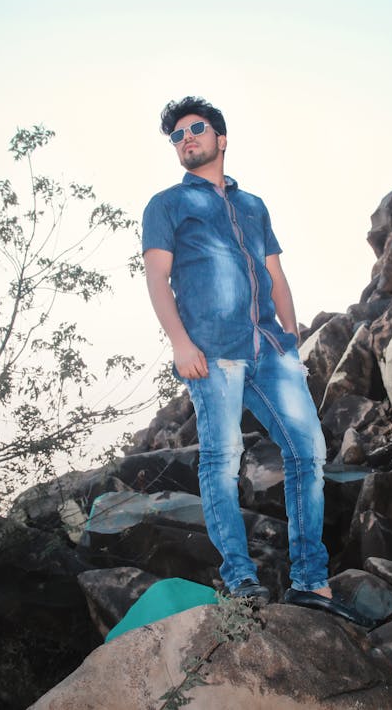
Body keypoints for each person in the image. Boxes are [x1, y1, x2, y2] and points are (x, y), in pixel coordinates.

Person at [142, 96, 332, 608]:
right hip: (211, 353)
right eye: (177, 136)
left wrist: (290, 342)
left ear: (221, 138)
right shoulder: (166, 204)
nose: (187, 139)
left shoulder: (253, 206)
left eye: (196, 129)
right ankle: (242, 578)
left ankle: (311, 582)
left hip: (270, 350)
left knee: (308, 452)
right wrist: (181, 344)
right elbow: (157, 279)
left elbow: (275, 275)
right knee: (222, 460)